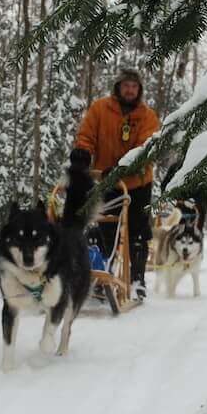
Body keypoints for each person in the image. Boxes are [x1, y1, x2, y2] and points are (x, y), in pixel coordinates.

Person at [70, 68, 161, 300]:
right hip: (106, 180)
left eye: (134, 86)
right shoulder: (100, 108)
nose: (130, 90)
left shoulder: (147, 116)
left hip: (138, 181)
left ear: (139, 90)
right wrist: (82, 151)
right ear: (118, 87)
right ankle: (104, 273)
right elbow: (87, 134)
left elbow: (146, 148)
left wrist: (123, 167)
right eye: (126, 85)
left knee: (137, 231)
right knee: (106, 228)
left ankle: (137, 279)